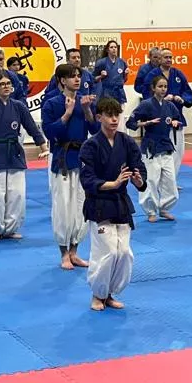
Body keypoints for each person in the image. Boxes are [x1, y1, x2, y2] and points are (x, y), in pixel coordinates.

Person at [81, 96, 147, 311]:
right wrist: (113, 183)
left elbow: (139, 167)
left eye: (116, 115)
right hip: (99, 204)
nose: (114, 119)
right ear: (99, 117)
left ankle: (109, 293)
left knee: (124, 253)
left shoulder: (127, 142)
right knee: (108, 251)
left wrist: (139, 181)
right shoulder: (90, 146)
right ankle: (97, 294)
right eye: (109, 115)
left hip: (121, 204)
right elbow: (87, 180)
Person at [0, 73, 45, 242]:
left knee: (17, 194)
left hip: (14, 153)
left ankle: (11, 228)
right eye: (2, 84)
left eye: (8, 83)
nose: (6, 86)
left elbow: (32, 128)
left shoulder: (19, 106)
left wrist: (43, 147)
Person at [42, 62, 94, 269]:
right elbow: (50, 132)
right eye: (73, 76)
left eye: (79, 75)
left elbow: (95, 128)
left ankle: (75, 250)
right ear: (62, 80)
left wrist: (87, 111)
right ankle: (63, 253)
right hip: (62, 159)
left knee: (81, 207)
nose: (77, 79)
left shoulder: (84, 100)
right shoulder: (52, 103)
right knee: (63, 207)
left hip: (81, 159)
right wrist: (67, 114)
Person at [129, 73, 184, 221]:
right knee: (151, 180)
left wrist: (175, 123)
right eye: (160, 86)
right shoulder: (146, 104)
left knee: (170, 181)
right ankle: (151, 211)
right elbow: (131, 123)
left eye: (165, 86)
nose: (163, 89)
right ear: (153, 88)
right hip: (151, 148)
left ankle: (164, 208)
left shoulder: (170, 106)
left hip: (166, 146)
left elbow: (179, 121)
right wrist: (146, 123)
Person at [92, 39, 128, 107]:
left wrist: (126, 74)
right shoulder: (101, 62)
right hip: (106, 93)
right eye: (111, 47)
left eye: (115, 47)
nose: (114, 49)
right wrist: (101, 76)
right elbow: (93, 79)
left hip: (119, 94)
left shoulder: (122, 62)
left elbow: (124, 80)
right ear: (107, 50)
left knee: (120, 116)